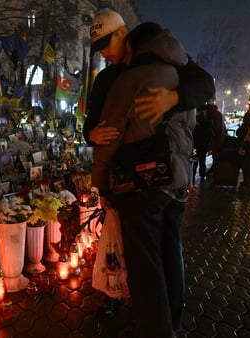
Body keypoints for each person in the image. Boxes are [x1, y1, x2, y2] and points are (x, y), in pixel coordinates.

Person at [91, 22, 201, 337]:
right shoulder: (178, 79)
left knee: (145, 269)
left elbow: (108, 139)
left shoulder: (131, 79)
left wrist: (100, 184)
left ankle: (157, 331)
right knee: (170, 256)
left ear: (131, 43)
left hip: (143, 187)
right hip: (177, 183)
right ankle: (173, 326)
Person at [83, 9, 215, 147]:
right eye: (99, 49)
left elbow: (206, 85)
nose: (103, 53)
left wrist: (174, 98)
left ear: (122, 32)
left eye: (106, 44)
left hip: (165, 155)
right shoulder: (104, 79)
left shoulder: (163, 59)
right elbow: (91, 122)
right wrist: (91, 135)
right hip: (122, 163)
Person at [192, 105, 214, 184]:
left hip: (198, 143)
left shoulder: (203, 120)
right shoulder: (208, 120)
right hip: (202, 144)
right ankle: (201, 176)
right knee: (201, 160)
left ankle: (195, 176)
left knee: (196, 160)